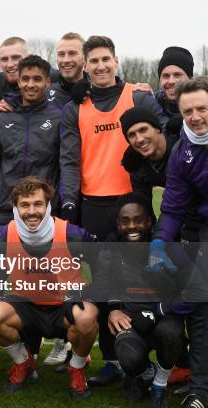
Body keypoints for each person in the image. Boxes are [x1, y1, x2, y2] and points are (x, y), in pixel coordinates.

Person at [59, 35, 168, 387]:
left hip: (131, 207)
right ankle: (111, 360)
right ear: (85, 67)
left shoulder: (136, 95)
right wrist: (70, 203)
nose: (101, 66)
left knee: (140, 282)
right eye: (95, 62)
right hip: (92, 206)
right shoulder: (76, 106)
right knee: (104, 286)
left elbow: (165, 124)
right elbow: (69, 159)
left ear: (116, 61)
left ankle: (147, 357)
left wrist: (155, 93)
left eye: (107, 59)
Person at [0, 177, 97, 398]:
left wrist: (92, 294)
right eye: (25, 205)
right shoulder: (5, 233)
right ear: (15, 208)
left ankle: (77, 367)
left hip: (64, 309)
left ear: (48, 206)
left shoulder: (70, 233)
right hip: (27, 310)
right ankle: (24, 362)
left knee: (87, 315)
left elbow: (106, 261)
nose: (32, 211)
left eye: (38, 204)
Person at [95, 193, 187, 407]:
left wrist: (158, 310)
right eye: (125, 221)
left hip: (163, 316)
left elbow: (182, 287)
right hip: (130, 317)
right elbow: (102, 282)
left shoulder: (165, 245)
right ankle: (146, 373)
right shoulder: (111, 243)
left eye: (138, 220)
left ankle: (160, 385)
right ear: (118, 224)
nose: (132, 226)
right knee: (129, 356)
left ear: (149, 221)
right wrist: (114, 308)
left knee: (171, 333)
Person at [149, 77, 208, 408]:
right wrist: (159, 241)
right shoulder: (182, 150)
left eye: (202, 108)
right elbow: (172, 205)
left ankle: (163, 309)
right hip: (201, 227)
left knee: (197, 292)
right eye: (188, 112)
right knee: (201, 309)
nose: (196, 116)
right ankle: (200, 390)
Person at [0, 55, 62, 229]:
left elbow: (66, 167)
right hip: (5, 210)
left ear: (47, 82)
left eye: (37, 79)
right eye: (25, 79)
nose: (30, 85)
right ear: (19, 82)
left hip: (43, 211)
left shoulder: (59, 119)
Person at [155, 46, 194, 137]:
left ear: (190, 78)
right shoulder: (152, 104)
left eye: (177, 75)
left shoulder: (203, 105)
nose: (171, 81)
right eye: (166, 76)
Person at [48, 32, 88, 109]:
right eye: (61, 54)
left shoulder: (96, 91)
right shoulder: (43, 92)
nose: (66, 60)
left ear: (85, 57)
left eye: (72, 53)